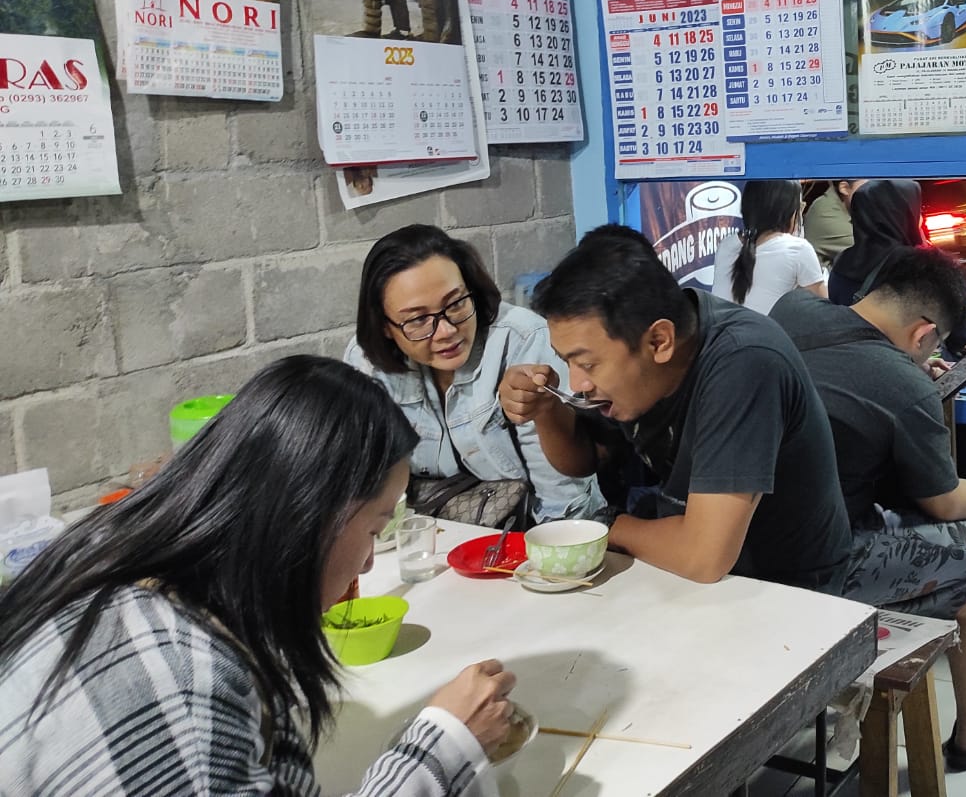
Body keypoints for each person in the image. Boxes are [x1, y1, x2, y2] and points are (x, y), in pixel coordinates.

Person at [0, 355, 517, 796]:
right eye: (376, 527)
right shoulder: (180, 692)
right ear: (309, 514)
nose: (365, 564)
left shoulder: (104, 558)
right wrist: (440, 746)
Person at [771, 245, 966, 773]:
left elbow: (846, 386)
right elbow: (945, 499)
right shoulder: (905, 385)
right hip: (808, 569)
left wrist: (908, 377)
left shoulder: (791, 310)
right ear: (924, 334)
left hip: (742, 539)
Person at [496, 224, 853, 592]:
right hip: (680, 566)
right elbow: (585, 458)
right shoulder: (640, 366)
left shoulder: (744, 361)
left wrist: (607, 526)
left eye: (586, 364)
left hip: (785, 587)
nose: (576, 384)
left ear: (659, 340)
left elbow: (703, 557)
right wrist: (546, 411)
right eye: (565, 361)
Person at [346, 224, 602, 528]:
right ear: (385, 326)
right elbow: (367, 489)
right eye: (417, 319)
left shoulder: (522, 341)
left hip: (527, 536)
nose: (447, 331)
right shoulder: (367, 363)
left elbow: (563, 503)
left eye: (455, 304)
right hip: (430, 539)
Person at [828, 178, 966, 355]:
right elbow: (964, 331)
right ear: (906, 212)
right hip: (906, 367)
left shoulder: (842, 260)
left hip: (856, 360)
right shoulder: (921, 266)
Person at [712, 179, 827, 316]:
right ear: (789, 212)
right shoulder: (798, 249)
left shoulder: (727, 244)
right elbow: (823, 312)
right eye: (799, 207)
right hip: (768, 336)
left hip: (722, 335)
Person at [804, 179, 866, 267]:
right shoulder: (825, 212)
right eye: (868, 186)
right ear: (844, 188)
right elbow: (872, 250)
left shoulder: (854, 206)